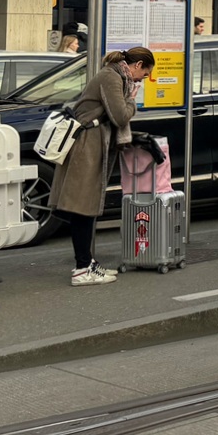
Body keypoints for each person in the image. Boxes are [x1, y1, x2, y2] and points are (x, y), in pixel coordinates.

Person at [51, 46, 155, 286]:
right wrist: (132, 102)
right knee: (82, 207)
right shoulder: (112, 77)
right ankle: (82, 268)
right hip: (86, 146)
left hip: (91, 143)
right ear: (137, 65)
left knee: (84, 207)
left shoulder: (114, 75)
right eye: (146, 72)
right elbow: (120, 115)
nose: (145, 78)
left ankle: (87, 263)